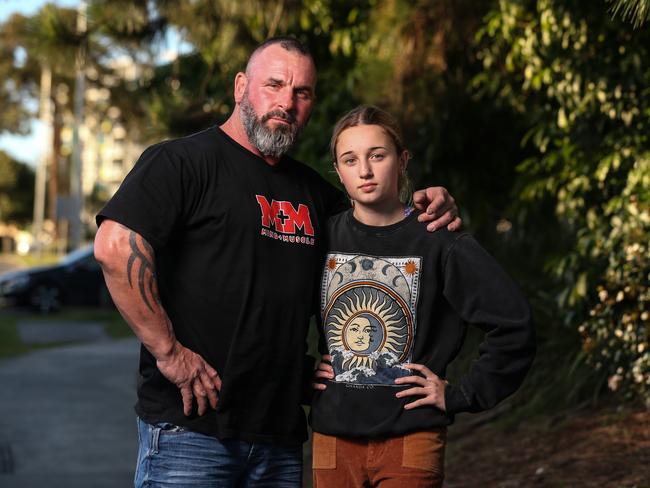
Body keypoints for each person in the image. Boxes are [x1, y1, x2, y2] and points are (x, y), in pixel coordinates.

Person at [93, 37, 461, 488]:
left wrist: (424, 199)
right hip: (191, 431)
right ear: (241, 86)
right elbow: (114, 247)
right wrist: (169, 354)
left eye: (302, 92)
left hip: (279, 438)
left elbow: (380, 227)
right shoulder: (181, 162)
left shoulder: (315, 194)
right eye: (275, 84)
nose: (287, 101)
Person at [310, 105, 536, 487]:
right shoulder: (321, 238)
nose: (364, 170)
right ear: (338, 171)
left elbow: (514, 325)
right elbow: (270, 307)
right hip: (333, 438)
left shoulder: (438, 239)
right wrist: (300, 373)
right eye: (350, 159)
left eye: (377, 155)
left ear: (402, 160)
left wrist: (462, 394)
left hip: (411, 438)